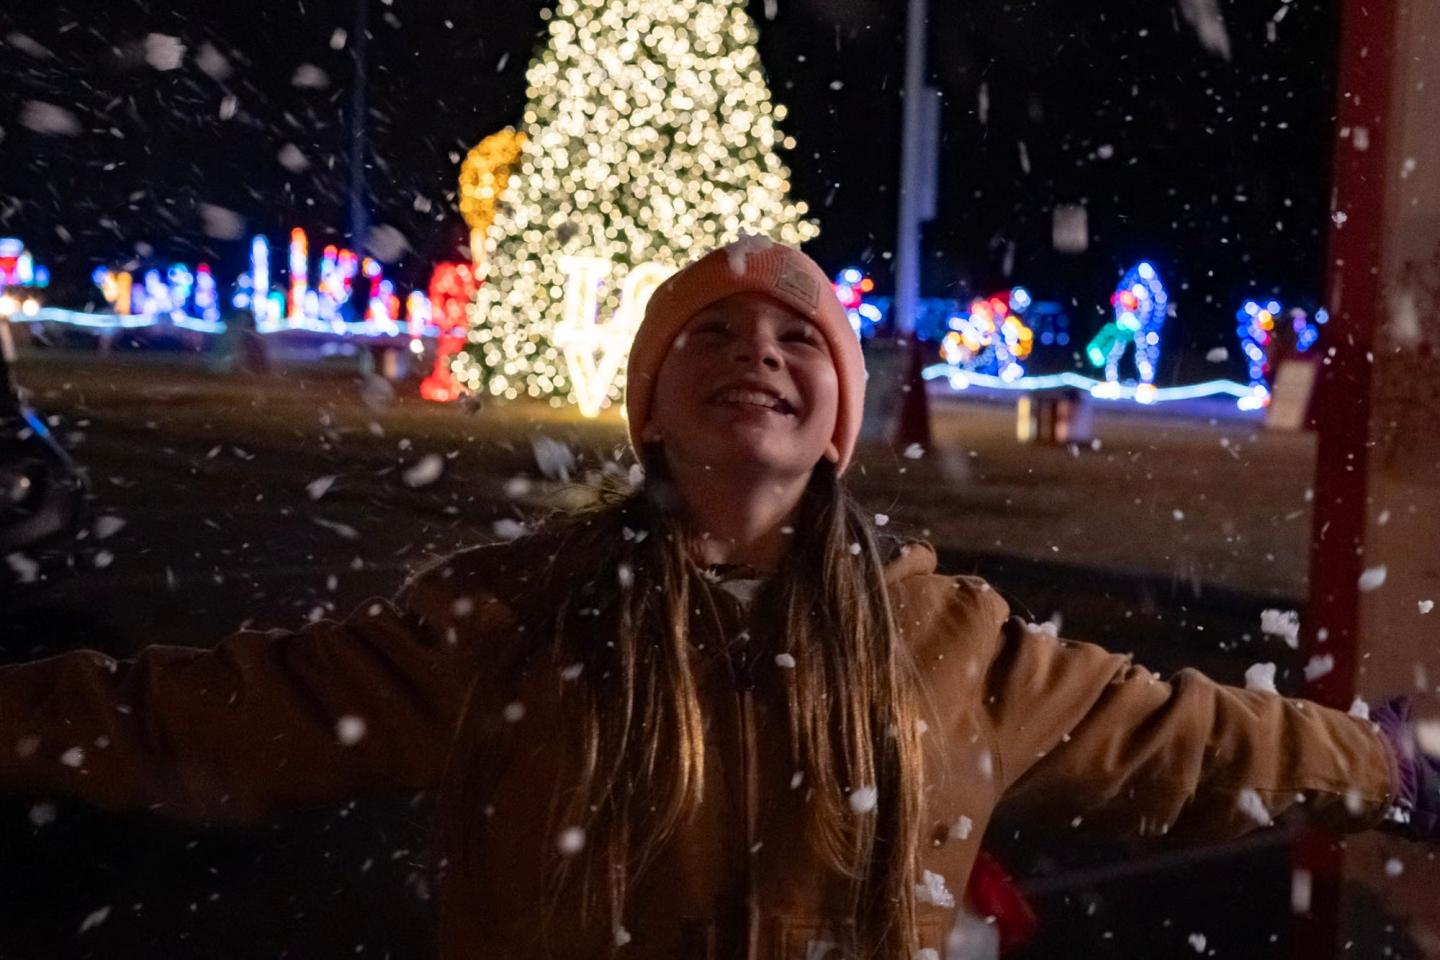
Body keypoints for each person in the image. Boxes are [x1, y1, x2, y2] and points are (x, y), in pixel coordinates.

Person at [1, 238, 1435, 960]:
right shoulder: (514, 620)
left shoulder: (955, 644)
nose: (757, 352)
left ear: (838, 424)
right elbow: (220, 714)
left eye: (793, 339)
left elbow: (1190, 742)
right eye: (710, 334)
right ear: (647, 412)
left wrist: (1384, 760)